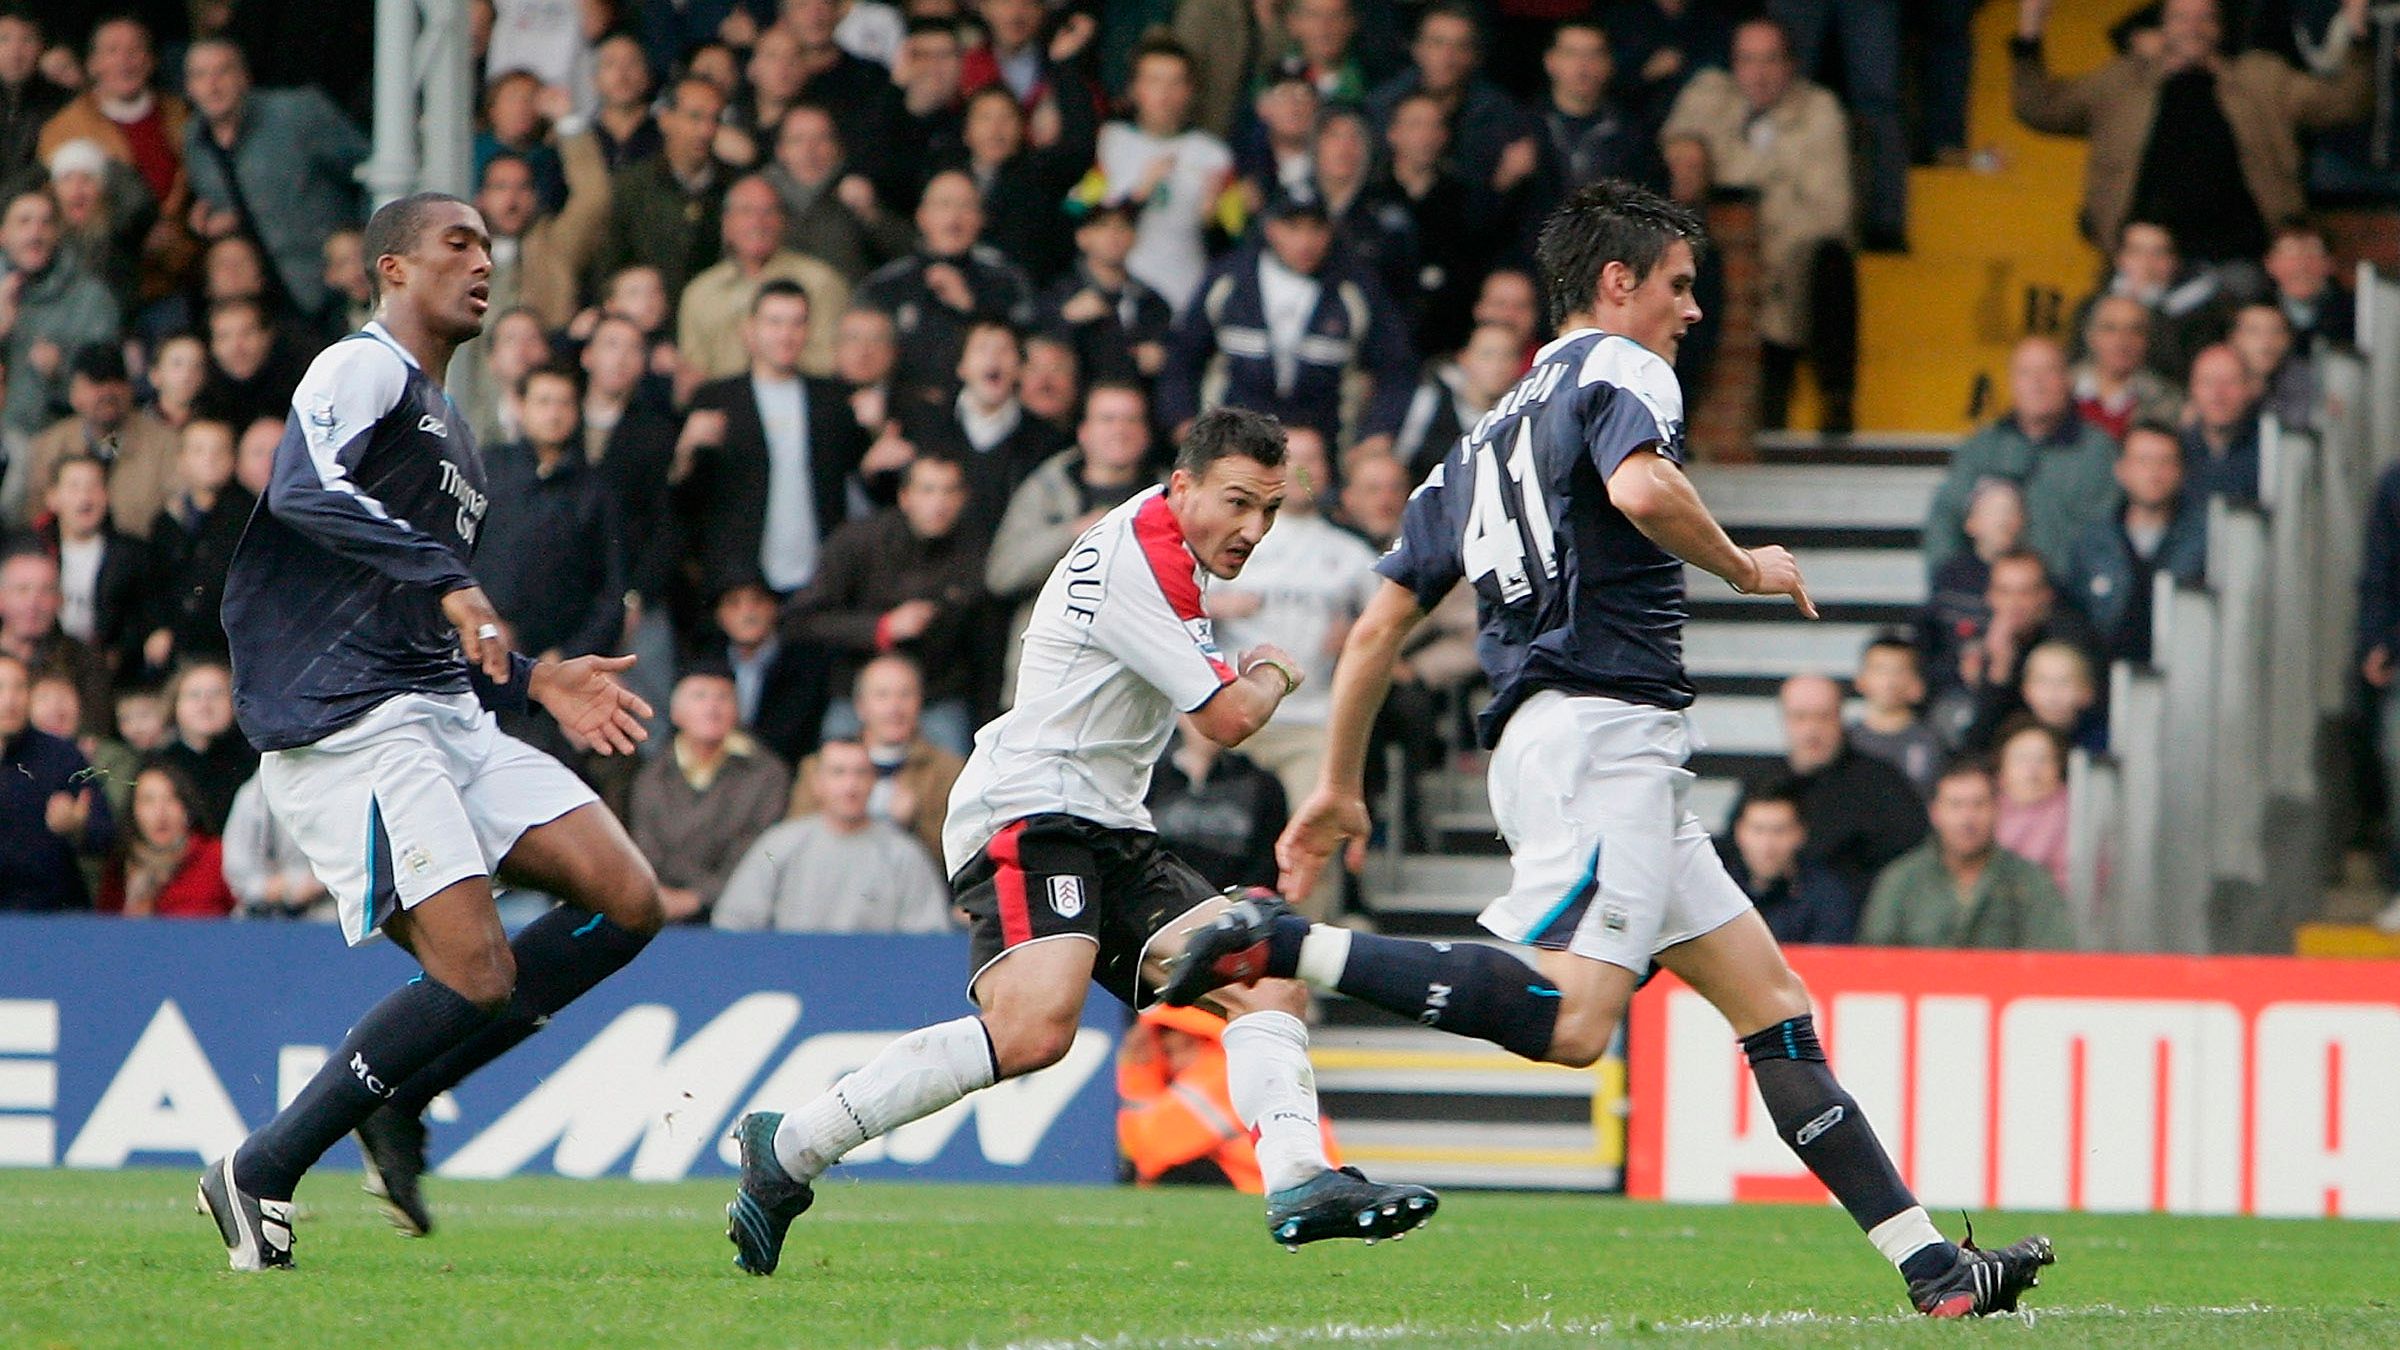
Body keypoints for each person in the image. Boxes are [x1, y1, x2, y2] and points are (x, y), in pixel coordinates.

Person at [1170, 180, 2052, 1317]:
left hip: (1564, 741)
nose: (1693, 312)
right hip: (1603, 735)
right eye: (1680, 287)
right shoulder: (1623, 367)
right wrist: (1743, 564)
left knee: (1771, 1003)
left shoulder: (1478, 439)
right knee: (1580, 1023)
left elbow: (1383, 618)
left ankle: (1933, 1267)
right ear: (1617, 284)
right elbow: (1642, 485)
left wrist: (1338, 781)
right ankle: (1283, 940)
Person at [722, 408, 1436, 1276]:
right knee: (1034, 1029)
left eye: (1271, 511)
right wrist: (1277, 668)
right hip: (1028, 807)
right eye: (1238, 503)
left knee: (1263, 982)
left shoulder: (1163, 540)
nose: (1253, 530)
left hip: (1109, 822)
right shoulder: (1147, 557)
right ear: (1183, 486)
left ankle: (1299, 1178)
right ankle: (790, 1146)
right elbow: (1229, 719)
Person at [200, 191, 665, 1270]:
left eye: (492, 247)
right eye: (457, 243)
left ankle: (403, 1099)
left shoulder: (462, 438)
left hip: (440, 712)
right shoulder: (359, 368)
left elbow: (425, 610)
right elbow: (303, 487)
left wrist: (537, 679)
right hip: (353, 725)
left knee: (627, 903)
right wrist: (451, 580)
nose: (482, 261)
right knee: (478, 975)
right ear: (393, 269)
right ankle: (260, 1169)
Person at [2010, 0, 2370, 270]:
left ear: (2220, 28)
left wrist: (2357, 32)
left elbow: (2345, 104)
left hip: (2241, 261)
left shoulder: (2262, 79)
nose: (2193, 28)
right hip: (2140, 261)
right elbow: (2040, 108)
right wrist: (2029, 32)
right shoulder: (2122, 82)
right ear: (2163, 25)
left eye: (2205, 18)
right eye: (2181, 17)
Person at [1662, 16, 1854, 433]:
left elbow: (1830, 214)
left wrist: (1762, 242)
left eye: (1770, 60)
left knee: (1831, 267)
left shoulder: (1819, 110)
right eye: (1747, 60)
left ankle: (1835, 404)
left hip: (1791, 260)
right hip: (1715, 257)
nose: (1759, 73)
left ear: (1790, 65)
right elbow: (1677, 174)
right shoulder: (1708, 97)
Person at [1203, 425, 1380, 847]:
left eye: (1313, 460)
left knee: (1314, 841)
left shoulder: (1351, 553)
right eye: (1290, 461)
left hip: (1314, 723)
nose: (1303, 470)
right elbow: (1170, 609)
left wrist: (1356, 636)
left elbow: (1391, 625)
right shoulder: (1230, 538)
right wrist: (1217, 607)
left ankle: (1314, 915)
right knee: (1217, 839)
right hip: (1230, 718)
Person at [1160, 190, 1415, 452]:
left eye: (1316, 229)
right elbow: (1182, 355)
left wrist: (1377, 434)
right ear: (1271, 229)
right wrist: (1183, 422)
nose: (1305, 242)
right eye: (1293, 228)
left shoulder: (1356, 289)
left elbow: (1395, 366)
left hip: (1328, 451)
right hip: (1231, 451)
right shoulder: (1229, 280)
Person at [675, 280, 868, 602]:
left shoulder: (833, 399)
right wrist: (685, 449)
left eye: (797, 322)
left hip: (820, 576)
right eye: (774, 322)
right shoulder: (715, 398)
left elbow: (858, 476)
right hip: (739, 581)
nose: (786, 334)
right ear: (750, 329)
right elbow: (687, 498)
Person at [786, 452, 986, 752]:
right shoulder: (858, 542)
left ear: (963, 499)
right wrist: (882, 627)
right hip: (856, 692)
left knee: (955, 785)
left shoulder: (974, 553)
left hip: (936, 694)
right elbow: (800, 620)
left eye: (949, 491)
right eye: (928, 490)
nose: (939, 503)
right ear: (905, 497)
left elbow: (985, 645)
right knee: (833, 774)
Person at [984, 381, 1157, 694]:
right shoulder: (1045, 489)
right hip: (1049, 678)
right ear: (1084, 432)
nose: (1120, 429)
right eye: (1107, 419)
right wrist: (1075, 533)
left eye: (1131, 419)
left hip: (1136, 682)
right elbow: (1002, 574)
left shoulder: (1169, 498)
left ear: (1146, 433)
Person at [178, 38, 367, 321]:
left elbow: (368, 170)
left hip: (331, 285)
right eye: (200, 75)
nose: (213, 85)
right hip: (263, 303)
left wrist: (362, 244)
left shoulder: (298, 113)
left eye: (223, 71)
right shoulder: (194, 141)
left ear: (244, 77)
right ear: (189, 88)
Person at [1922, 337, 2118, 582]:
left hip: (2069, 597)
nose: (2038, 383)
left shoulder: (2097, 450)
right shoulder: (1983, 445)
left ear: (2069, 380)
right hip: (1989, 597)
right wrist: (1950, 584)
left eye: (2049, 371)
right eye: (2026, 373)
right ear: (2011, 383)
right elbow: (1947, 517)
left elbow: (2107, 534)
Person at [711, 737, 953, 932]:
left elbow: (928, 936)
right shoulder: (779, 845)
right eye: (838, 773)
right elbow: (733, 923)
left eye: (860, 773)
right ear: (817, 783)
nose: (850, 785)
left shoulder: (903, 853)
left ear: (874, 782)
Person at [475, 365, 625, 664]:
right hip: (479, 648)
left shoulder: (594, 489)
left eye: (564, 403)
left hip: (558, 663)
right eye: (543, 402)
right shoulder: (487, 469)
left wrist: (569, 655)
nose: (554, 413)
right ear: (520, 406)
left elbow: (610, 590)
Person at [1746, 673, 1929, 912]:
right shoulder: (1763, 784)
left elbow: (1909, 860)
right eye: (1800, 717)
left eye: (1823, 717)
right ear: (1785, 720)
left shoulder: (1881, 783)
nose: (1812, 730)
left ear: (1840, 717)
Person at [628, 665, 793, 925]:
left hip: (741, 907)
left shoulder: (767, 773)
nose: (712, 707)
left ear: (737, 710)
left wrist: (698, 897)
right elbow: (647, 848)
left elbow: (760, 850)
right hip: (663, 905)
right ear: (676, 713)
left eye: (723, 697)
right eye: (700, 696)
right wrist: (669, 897)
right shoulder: (652, 774)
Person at [854, 169, 1038, 399]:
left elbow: (1027, 351)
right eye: (944, 205)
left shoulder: (1006, 281)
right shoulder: (885, 285)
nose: (954, 216)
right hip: (905, 413)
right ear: (921, 216)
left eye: (965, 206)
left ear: (981, 218)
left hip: (982, 415)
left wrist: (971, 308)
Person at [1858, 758, 2077, 951]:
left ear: (1997, 810)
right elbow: (1874, 961)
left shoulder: (2029, 880)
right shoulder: (1901, 879)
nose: (1967, 819)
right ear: (1935, 813)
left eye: (1979, 805)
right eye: (1956, 805)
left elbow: (2055, 958)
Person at [1092, 36, 1236, 314]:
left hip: (1188, 291)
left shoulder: (1214, 154)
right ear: (1134, 89)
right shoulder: (1109, 142)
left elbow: (1235, 237)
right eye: (1154, 81)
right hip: (1122, 292)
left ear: (1190, 91)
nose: (1165, 94)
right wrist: (1137, 194)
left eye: (1176, 83)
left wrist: (1214, 219)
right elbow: (1078, 212)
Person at [788, 652, 965, 865]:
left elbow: (959, 856)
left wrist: (914, 824)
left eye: (905, 695)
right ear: (861, 706)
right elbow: (796, 843)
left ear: (920, 702)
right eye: (882, 695)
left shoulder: (947, 771)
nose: (894, 708)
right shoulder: (818, 767)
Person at [676, 174, 850, 381]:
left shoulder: (821, 282)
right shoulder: (701, 291)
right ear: (726, 224)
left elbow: (831, 361)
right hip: (723, 406)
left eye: (769, 212)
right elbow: (692, 372)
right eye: (746, 211)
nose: (758, 222)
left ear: (783, 221)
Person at [2062, 422, 2206, 667]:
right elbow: (2071, 614)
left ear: (2181, 471)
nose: (2154, 472)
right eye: (2143, 461)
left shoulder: (2205, 540)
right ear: (2121, 470)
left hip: (2185, 670)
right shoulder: (2090, 540)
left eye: (2165, 461)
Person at [593, 75, 733, 304]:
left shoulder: (733, 186)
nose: (706, 130)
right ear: (665, 119)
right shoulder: (631, 185)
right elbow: (609, 264)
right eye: (695, 117)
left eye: (715, 119)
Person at [0, 649, 115, 912]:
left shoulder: (61, 755)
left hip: (53, 917)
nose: (9, 701)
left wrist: (77, 827)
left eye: (19, 688)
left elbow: (105, 835)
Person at [25, 343, 178, 540]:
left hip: (143, 560)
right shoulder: (49, 445)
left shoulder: (165, 444)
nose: (107, 392)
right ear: (74, 393)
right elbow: (34, 518)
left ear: (130, 388)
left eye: (116, 381)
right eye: (95, 383)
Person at [2, 189, 121, 439]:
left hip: (61, 443)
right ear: (3, 234)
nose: (35, 233)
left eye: (46, 223)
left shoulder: (91, 298)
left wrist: (61, 373)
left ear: (57, 233)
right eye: (24, 222)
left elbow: (110, 398)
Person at [1147, 713, 1288, 891]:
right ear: (1180, 717)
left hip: (1233, 902)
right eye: (1199, 714)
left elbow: (1266, 863)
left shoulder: (1261, 784)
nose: (1208, 727)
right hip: (1160, 897)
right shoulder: (1150, 779)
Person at [1040, 200, 1173, 388]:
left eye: (1122, 227)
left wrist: (1159, 355)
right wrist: (1066, 320)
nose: (1113, 235)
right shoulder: (1059, 293)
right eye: (1102, 226)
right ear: (1082, 237)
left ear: (1134, 237)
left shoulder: (1151, 302)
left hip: (1134, 402)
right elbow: (1039, 347)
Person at [35, 453, 148, 673]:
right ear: (53, 498)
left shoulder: (132, 554)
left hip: (110, 668)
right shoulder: (34, 550)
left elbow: (141, 616)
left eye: (93, 487)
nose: (85, 497)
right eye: (74, 487)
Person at [98, 760, 236, 918]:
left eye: (171, 799)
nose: (160, 813)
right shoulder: (119, 866)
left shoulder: (216, 856)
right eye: (148, 801)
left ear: (187, 807)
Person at [1718, 786, 1853, 944]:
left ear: (1800, 833)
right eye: (1758, 830)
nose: (1767, 845)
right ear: (1739, 832)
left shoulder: (1827, 895)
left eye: (1779, 831)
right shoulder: (1717, 890)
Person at [0, 546, 109, 734]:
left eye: (46, 591)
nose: (33, 603)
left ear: (60, 600)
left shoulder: (83, 658)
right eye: (22, 590)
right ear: (2, 598)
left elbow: (95, 726)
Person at [220, 773, 331, 921]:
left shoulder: (334, 789)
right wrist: (268, 888)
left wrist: (312, 884)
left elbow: (350, 858)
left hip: (325, 906)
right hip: (262, 911)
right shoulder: (251, 795)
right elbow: (237, 869)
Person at [2070, 294, 2180, 443]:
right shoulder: (2061, 390)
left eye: (2135, 330)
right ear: (2090, 335)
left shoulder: (2169, 402)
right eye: (2110, 329)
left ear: (2147, 340)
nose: (2122, 341)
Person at [1847, 633, 1943, 796]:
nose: (1890, 681)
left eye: (1899, 671)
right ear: (1860, 680)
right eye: (1880, 670)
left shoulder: (1933, 741)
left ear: (1917, 683)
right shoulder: (1847, 741)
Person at [1992, 719, 2072, 896]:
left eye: (2043, 759)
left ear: (2058, 767)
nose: (2032, 769)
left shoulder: (2076, 814)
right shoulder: (1983, 804)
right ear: (2002, 766)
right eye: (2021, 758)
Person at [2180, 342, 2262, 506]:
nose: (2218, 394)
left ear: (2249, 388)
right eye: (2208, 382)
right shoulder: (2174, 452)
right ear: (2192, 388)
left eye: (2230, 382)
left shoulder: (2270, 450)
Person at [2265, 218, 2353, 354]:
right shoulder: (2252, 313)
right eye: (2290, 255)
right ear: (2270, 264)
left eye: (2312, 254)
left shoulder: (2357, 313)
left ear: (2330, 263)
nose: (2301, 265)